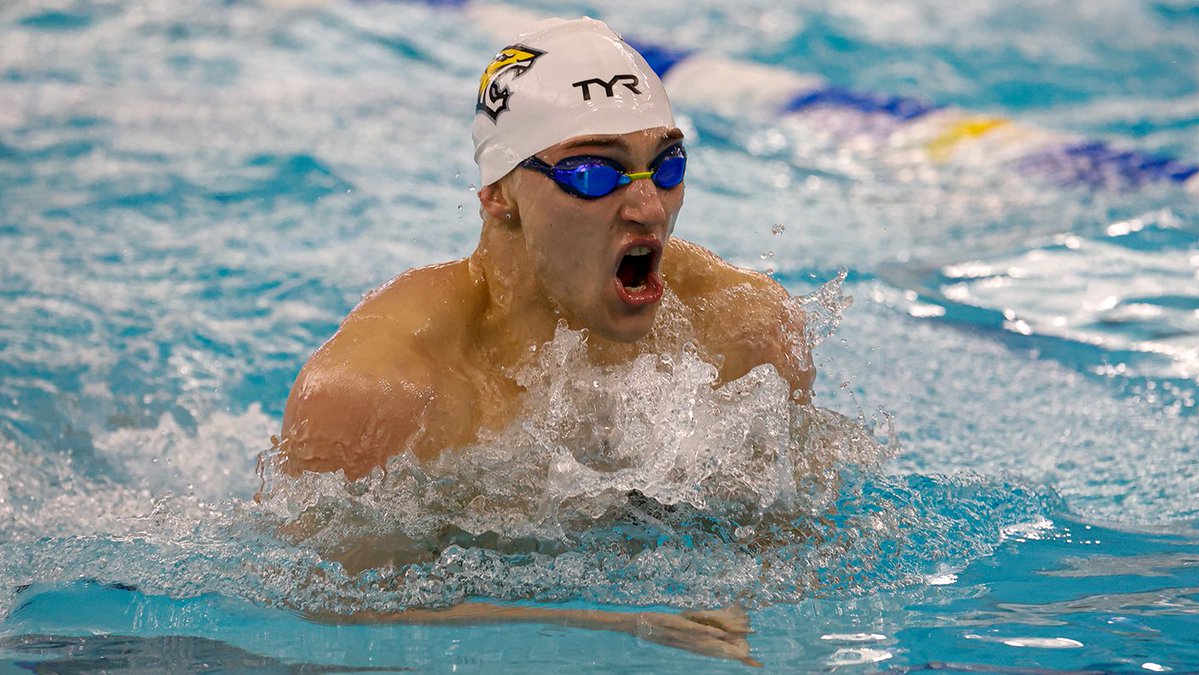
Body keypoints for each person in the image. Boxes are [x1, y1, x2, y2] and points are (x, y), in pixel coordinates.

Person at [274, 17, 814, 667]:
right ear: (499, 191)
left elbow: (789, 547)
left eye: (665, 165)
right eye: (593, 173)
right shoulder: (382, 391)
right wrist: (615, 623)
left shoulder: (742, 332)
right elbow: (325, 608)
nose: (648, 208)